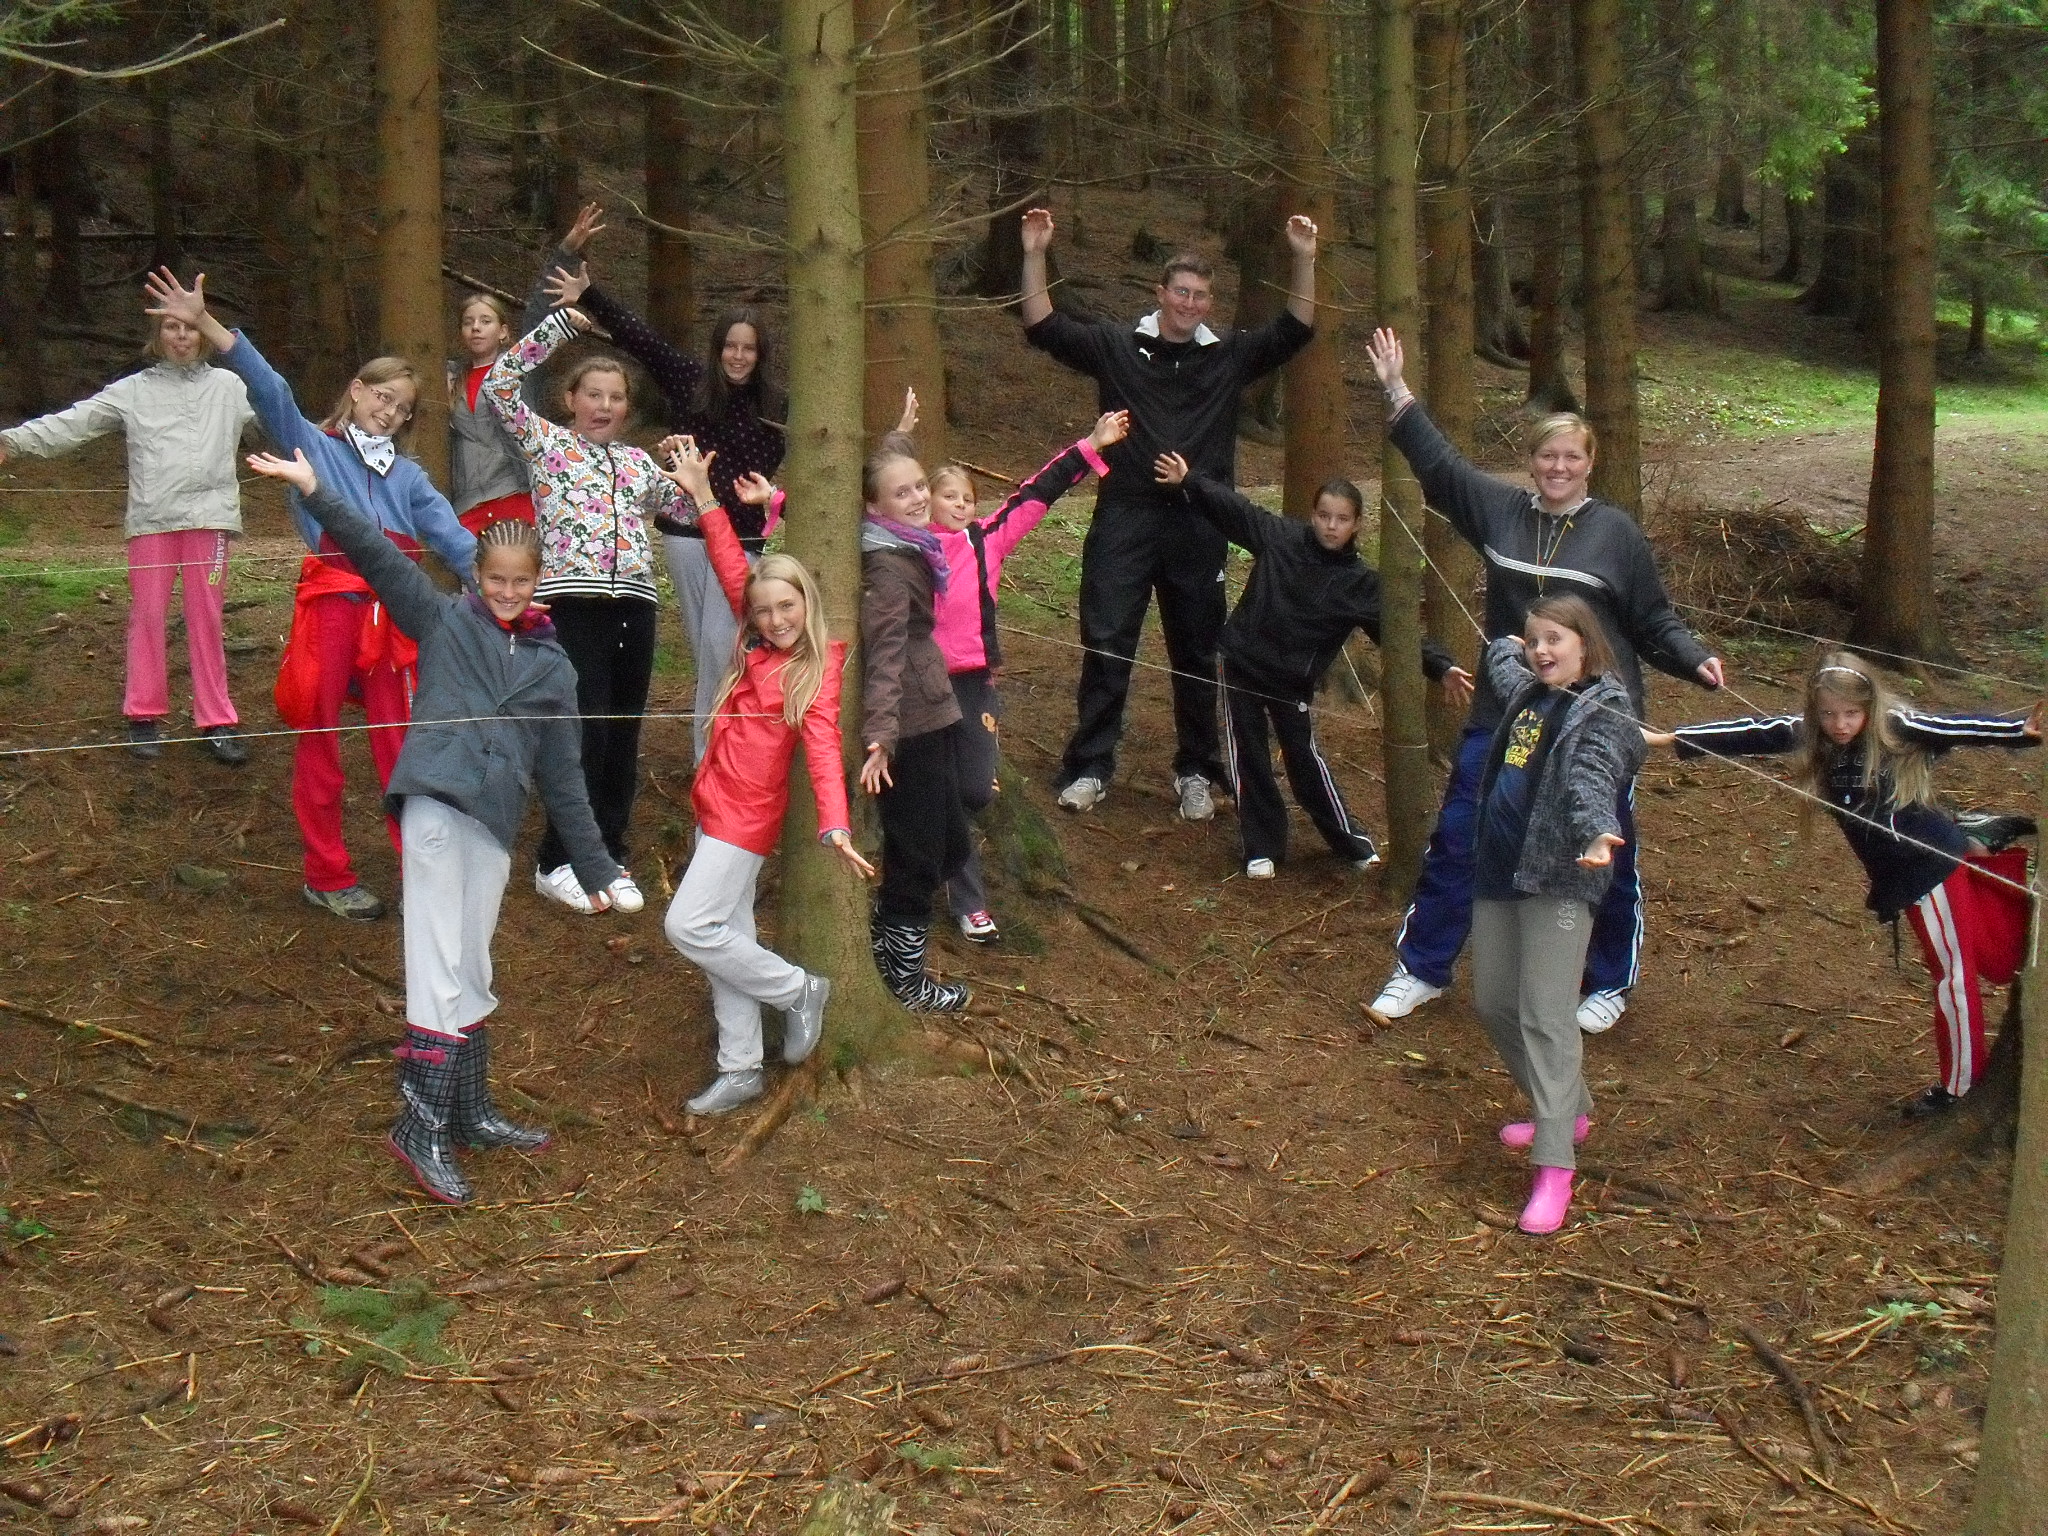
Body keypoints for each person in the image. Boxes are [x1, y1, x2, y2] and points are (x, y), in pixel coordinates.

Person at [245, 447, 620, 1206]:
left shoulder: (552, 666)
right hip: (435, 809)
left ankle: (468, 1109)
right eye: (495, 579)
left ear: (539, 580)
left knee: (472, 961)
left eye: (521, 581)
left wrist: (597, 867)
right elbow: (376, 553)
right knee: (437, 961)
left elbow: (564, 775)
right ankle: (418, 1126)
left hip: (494, 824)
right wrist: (315, 488)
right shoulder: (443, 621)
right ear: (475, 576)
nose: (507, 592)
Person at [1361, 327, 1723, 1034]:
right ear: (1530, 462)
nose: (1558, 467)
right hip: (1508, 712)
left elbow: (1653, 619)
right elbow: (1440, 467)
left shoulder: (1615, 533)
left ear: (1590, 464)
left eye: (1571, 457)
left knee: (1599, 843)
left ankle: (1607, 982)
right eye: (1547, 456)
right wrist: (1396, 387)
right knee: (1463, 834)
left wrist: (1694, 659)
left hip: (1595, 720)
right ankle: (1423, 968)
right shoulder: (1502, 511)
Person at [143, 268, 478, 922]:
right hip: (331, 608)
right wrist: (207, 323)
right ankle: (327, 874)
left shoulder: (408, 477)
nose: (390, 413)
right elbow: (269, 388)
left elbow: (455, 540)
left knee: (403, 745)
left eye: (403, 409)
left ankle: (423, 868)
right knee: (319, 740)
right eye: (382, 397)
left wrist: (504, 594)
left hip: (397, 617)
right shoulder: (312, 448)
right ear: (357, 390)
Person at [1018, 206, 1320, 823]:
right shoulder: (1117, 347)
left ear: (1210, 303)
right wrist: (1034, 252)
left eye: (1201, 295)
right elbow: (1042, 324)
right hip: (1125, 518)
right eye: (1181, 292)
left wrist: (1304, 259)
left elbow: (1295, 328)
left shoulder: (1227, 356)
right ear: (1160, 293)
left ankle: (1196, 770)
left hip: (1198, 524)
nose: (1190, 303)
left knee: (1198, 650)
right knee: (1107, 640)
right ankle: (1091, 766)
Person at [1648, 653, 2042, 1117]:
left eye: (1852, 713)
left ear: (1869, 707)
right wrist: (1673, 739)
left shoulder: (1893, 726)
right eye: (1829, 714)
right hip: (1898, 873)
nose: (1840, 725)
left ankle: (1960, 1086)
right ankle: (1975, 835)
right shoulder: (1809, 732)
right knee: (1953, 968)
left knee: (1953, 974)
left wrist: (2019, 731)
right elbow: (1751, 731)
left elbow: (1952, 727)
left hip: (1930, 864)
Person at [655, 440, 873, 1116]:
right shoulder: (753, 641)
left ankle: (798, 990)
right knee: (729, 934)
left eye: (787, 607)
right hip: (712, 801)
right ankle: (741, 1066)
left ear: (807, 602)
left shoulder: (816, 667)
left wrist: (835, 824)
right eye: (765, 610)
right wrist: (703, 495)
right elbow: (730, 564)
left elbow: (823, 748)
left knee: (689, 926)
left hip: (744, 819)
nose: (776, 620)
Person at [1153, 456, 1472, 879]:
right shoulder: (1281, 537)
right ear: (1313, 515)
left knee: (1305, 759)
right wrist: (1189, 479)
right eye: (1323, 515)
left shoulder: (1361, 583)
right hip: (1242, 664)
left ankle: (1351, 842)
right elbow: (1235, 510)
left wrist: (1441, 666)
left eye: (1341, 519)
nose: (1330, 526)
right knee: (1248, 756)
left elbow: (1398, 634)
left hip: (1292, 683)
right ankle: (1261, 847)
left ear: (1356, 525)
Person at [541, 215, 787, 765]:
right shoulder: (690, 382)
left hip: (742, 542)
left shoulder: (779, 408)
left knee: (724, 650)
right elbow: (641, 341)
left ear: (761, 353)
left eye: (748, 348)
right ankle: (712, 759)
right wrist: (590, 295)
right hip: (686, 534)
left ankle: (712, 763)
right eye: (730, 346)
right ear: (718, 349)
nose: (738, 356)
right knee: (709, 653)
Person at [485, 306, 691, 918]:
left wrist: (687, 466)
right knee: (583, 733)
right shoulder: (548, 444)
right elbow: (498, 387)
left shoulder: (636, 463)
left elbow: (685, 507)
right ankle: (557, 859)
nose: (604, 406)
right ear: (570, 399)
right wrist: (557, 330)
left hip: (637, 606)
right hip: (573, 606)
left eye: (615, 397)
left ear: (627, 407)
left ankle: (609, 854)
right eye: (593, 394)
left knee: (623, 734)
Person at [0, 293, 254, 764]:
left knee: (207, 617)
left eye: (190, 327)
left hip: (211, 520)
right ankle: (143, 714)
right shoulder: (133, 390)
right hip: (152, 520)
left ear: (203, 333)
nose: (181, 336)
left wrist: (334, 439)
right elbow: (74, 423)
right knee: (147, 615)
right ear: (157, 335)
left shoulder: (230, 387)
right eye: (172, 327)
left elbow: (282, 420)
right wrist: (12, 443)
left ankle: (217, 721)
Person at [1467, 597, 1645, 1235]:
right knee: (1493, 1003)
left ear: (1585, 645)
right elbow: (1502, 658)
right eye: (1535, 640)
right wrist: (1506, 643)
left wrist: (1597, 831)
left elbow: (1592, 779)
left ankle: (1554, 1167)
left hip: (1560, 878)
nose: (1542, 651)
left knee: (1546, 1017)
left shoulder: (1606, 712)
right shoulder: (1529, 690)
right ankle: (1568, 1111)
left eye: (1555, 640)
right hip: (1498, 871)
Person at [927, 410, 1129, 941]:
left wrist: (1091, 445)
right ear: (926, 501)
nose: (961, 505)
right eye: (949, 496)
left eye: (968, 498)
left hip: (974, 682)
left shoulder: (986, 540)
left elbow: (1037, 493)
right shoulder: (908, 545)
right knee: (932, 791)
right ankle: (967, 902)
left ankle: (949, 866)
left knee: (974, 790)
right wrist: (780, 502)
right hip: (920, 686)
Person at [860, 433, 972, 1011]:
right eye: (901, 493)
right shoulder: (886, 566)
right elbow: (884, 653)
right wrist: (880, 735)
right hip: (908, 722)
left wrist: (898, 433)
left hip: (934, 706)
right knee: (920, 851)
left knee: (951, 841)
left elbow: (887, 462)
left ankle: (885, 946)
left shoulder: (909, 546)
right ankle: (905, 980)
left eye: (921, 486)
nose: (919, 498)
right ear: (874, 506)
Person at [448, 292, 536, 535]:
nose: (476, 328)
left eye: (485, 321)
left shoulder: (517, 373)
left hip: (514, 492)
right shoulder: (450, 378)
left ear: (503, 331)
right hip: (468, 501)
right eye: (468, 322)